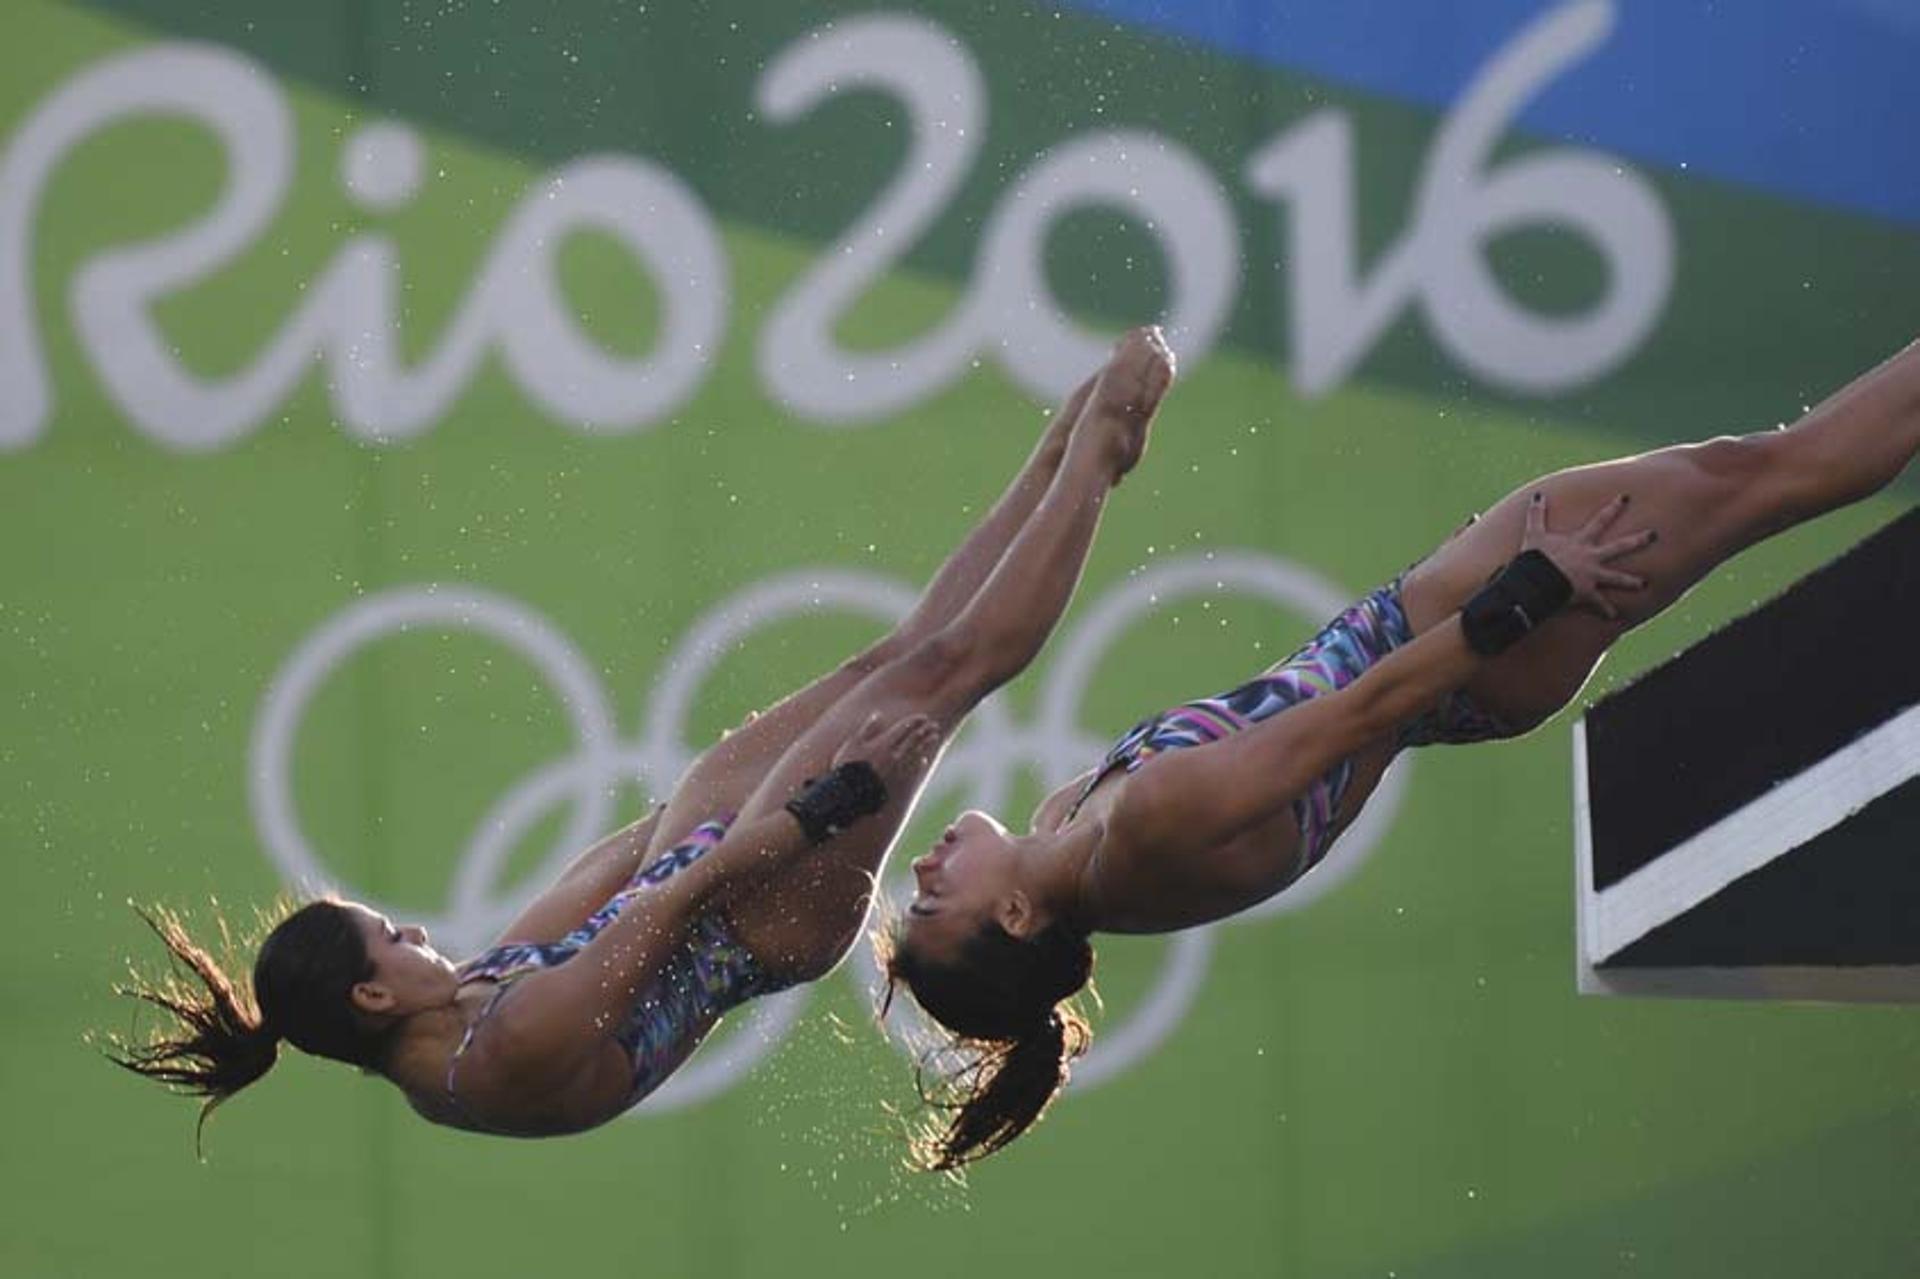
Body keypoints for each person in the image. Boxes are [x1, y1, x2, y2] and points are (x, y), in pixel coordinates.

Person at [109, 328, 1179, 1142]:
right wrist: (824, 805)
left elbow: (621, 865)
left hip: (709, 856)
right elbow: (677, 905)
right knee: (946, 679)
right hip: (764, 907)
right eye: (397, 939)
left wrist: (692, 797)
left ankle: (1053, 456)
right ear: (373, 996)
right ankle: (1099, 458)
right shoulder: (499, 1052)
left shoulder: (457, 1003)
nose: (420, 936)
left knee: (892, 658)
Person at [883, 335, 1920, 1170]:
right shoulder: (1147, 833)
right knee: (1784, 471)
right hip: (1471, 645)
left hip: (1439, 624)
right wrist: (1527, 591)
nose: (923, 868)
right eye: (936, 900)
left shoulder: (1073, 813)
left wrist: (1081, 440)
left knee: (1761, 468)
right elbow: (1360, 712)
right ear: (1015, 917)